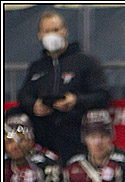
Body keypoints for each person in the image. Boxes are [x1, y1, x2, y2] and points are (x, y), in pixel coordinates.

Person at [16, 10, 111, 163]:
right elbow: (23, 95)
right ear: (39, 35)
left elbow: (102, 95)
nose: (52, 34)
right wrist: (35, 106)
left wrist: (75, 100)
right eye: (47, 31)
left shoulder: (86, 62)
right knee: (13, 115)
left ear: (65, 31)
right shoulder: (36, 67)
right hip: (43, 128)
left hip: (75, 126)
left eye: (55, 30)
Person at [60, 109, 125, 182]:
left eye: (103, 136)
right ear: (85, 139)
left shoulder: (123, 163)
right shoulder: (73, 166)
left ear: (111, 137)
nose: (98, 142)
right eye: (93, 137)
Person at [4, 112, 62, 182]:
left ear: (31, 140)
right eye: (10, 141)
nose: (15, 146)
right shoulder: (5, 164)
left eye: (21, 140)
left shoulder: (47, 163)